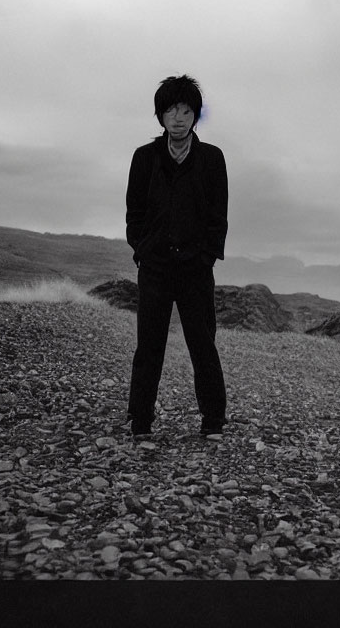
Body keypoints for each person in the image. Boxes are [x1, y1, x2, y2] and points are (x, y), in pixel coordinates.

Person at [125, 74, 228, 439]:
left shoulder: (212, 159)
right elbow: (133, 215)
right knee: (149, 345)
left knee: (202, 345)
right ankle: (141, 422)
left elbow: (218, 218)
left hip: (195, 270)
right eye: (171, 110)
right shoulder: (144, 158)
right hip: (155, 268)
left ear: (196, 115)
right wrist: (142, 251)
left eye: (186, 110)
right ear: (161, 116)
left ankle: (213, 421)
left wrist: (205, 257)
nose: (179, 117)